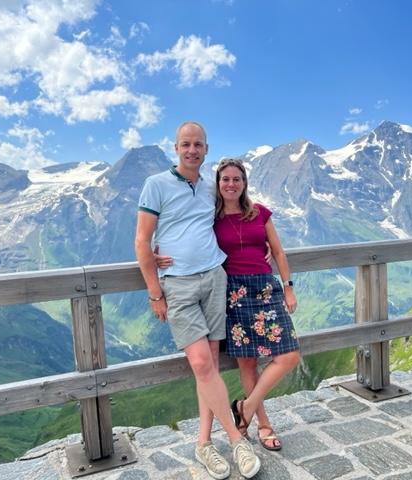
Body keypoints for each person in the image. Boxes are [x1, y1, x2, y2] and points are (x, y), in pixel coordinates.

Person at [135, 122, 261, 480]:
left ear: (206, 149)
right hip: (178, 285)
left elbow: (234, 217)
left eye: (198, 145)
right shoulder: (155, 185)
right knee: (203, 364)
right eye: (186, 144)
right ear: (175, 148)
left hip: (214, 277)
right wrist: (155, 291)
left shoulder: (211, 187)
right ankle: (237, 439)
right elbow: (142, 241)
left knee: (207, 369)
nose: (192, 150)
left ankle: (204, 443)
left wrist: (260, 248)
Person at [157, 158, 301, 451]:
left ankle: (244, 408)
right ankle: (263, 424)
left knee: (289, 356)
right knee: (247, 363)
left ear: (244, 183)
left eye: (237, 179)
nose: (231, 184)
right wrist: (157, 253)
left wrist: (288, 288)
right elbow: (185, 233)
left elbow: (278, 252)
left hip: (265, 289)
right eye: (225, 179)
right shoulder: (212, 216)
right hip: (232, 292)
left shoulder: (260, 213)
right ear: (218, 184)